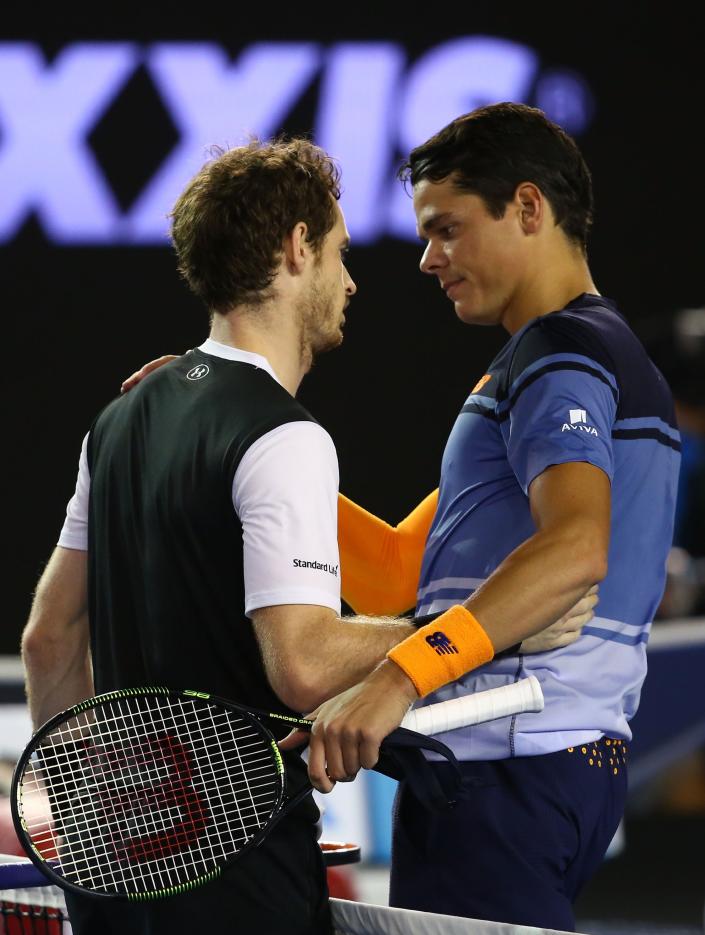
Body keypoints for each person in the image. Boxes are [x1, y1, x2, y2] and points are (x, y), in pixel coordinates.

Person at [286, 103, 681, 931]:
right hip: (523, 774)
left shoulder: (560, 353)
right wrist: (246, 458)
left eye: (448, 229)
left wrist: (396, 680)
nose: (429, 259)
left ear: (528, 208)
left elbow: (574, 548)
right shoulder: (573, 356)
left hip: (509, 774)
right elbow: (401, 572)